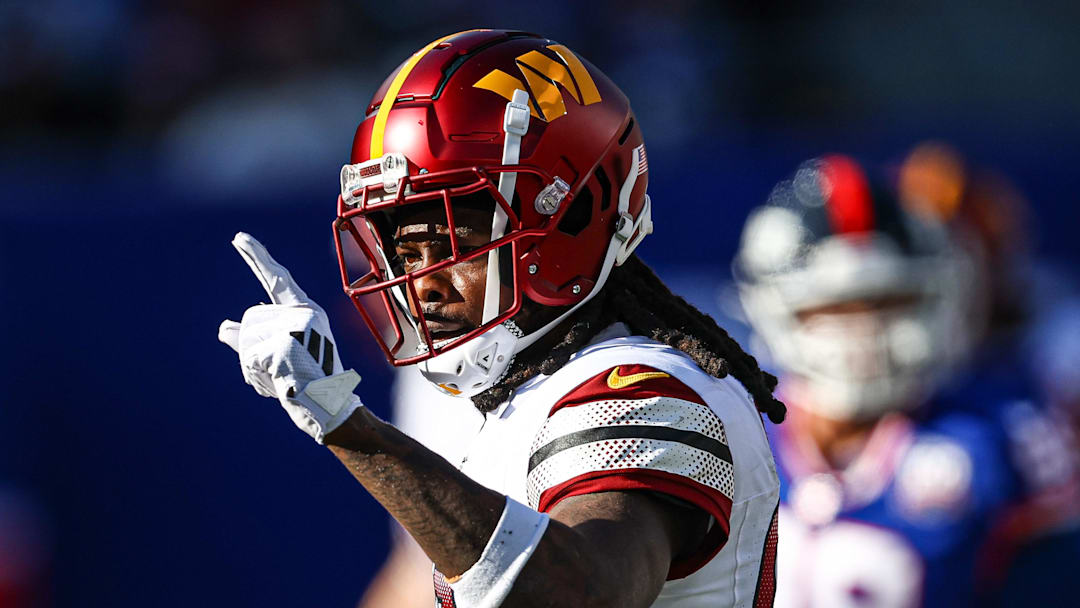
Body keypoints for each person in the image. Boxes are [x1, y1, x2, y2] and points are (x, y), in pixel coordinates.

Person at [219, 30, 783, 607]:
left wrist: (350, 426)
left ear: (573, 213)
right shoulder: (522, 398)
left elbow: (574, 595)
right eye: (406, 252)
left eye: (451, 240)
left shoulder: (642, 390)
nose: (424, 283)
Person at [733, 154, 1079, 607]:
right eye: (835, 307)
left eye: (890, 301)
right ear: (772, 308)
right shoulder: (726, 433)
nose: (865, 332)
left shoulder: (1008, 436)